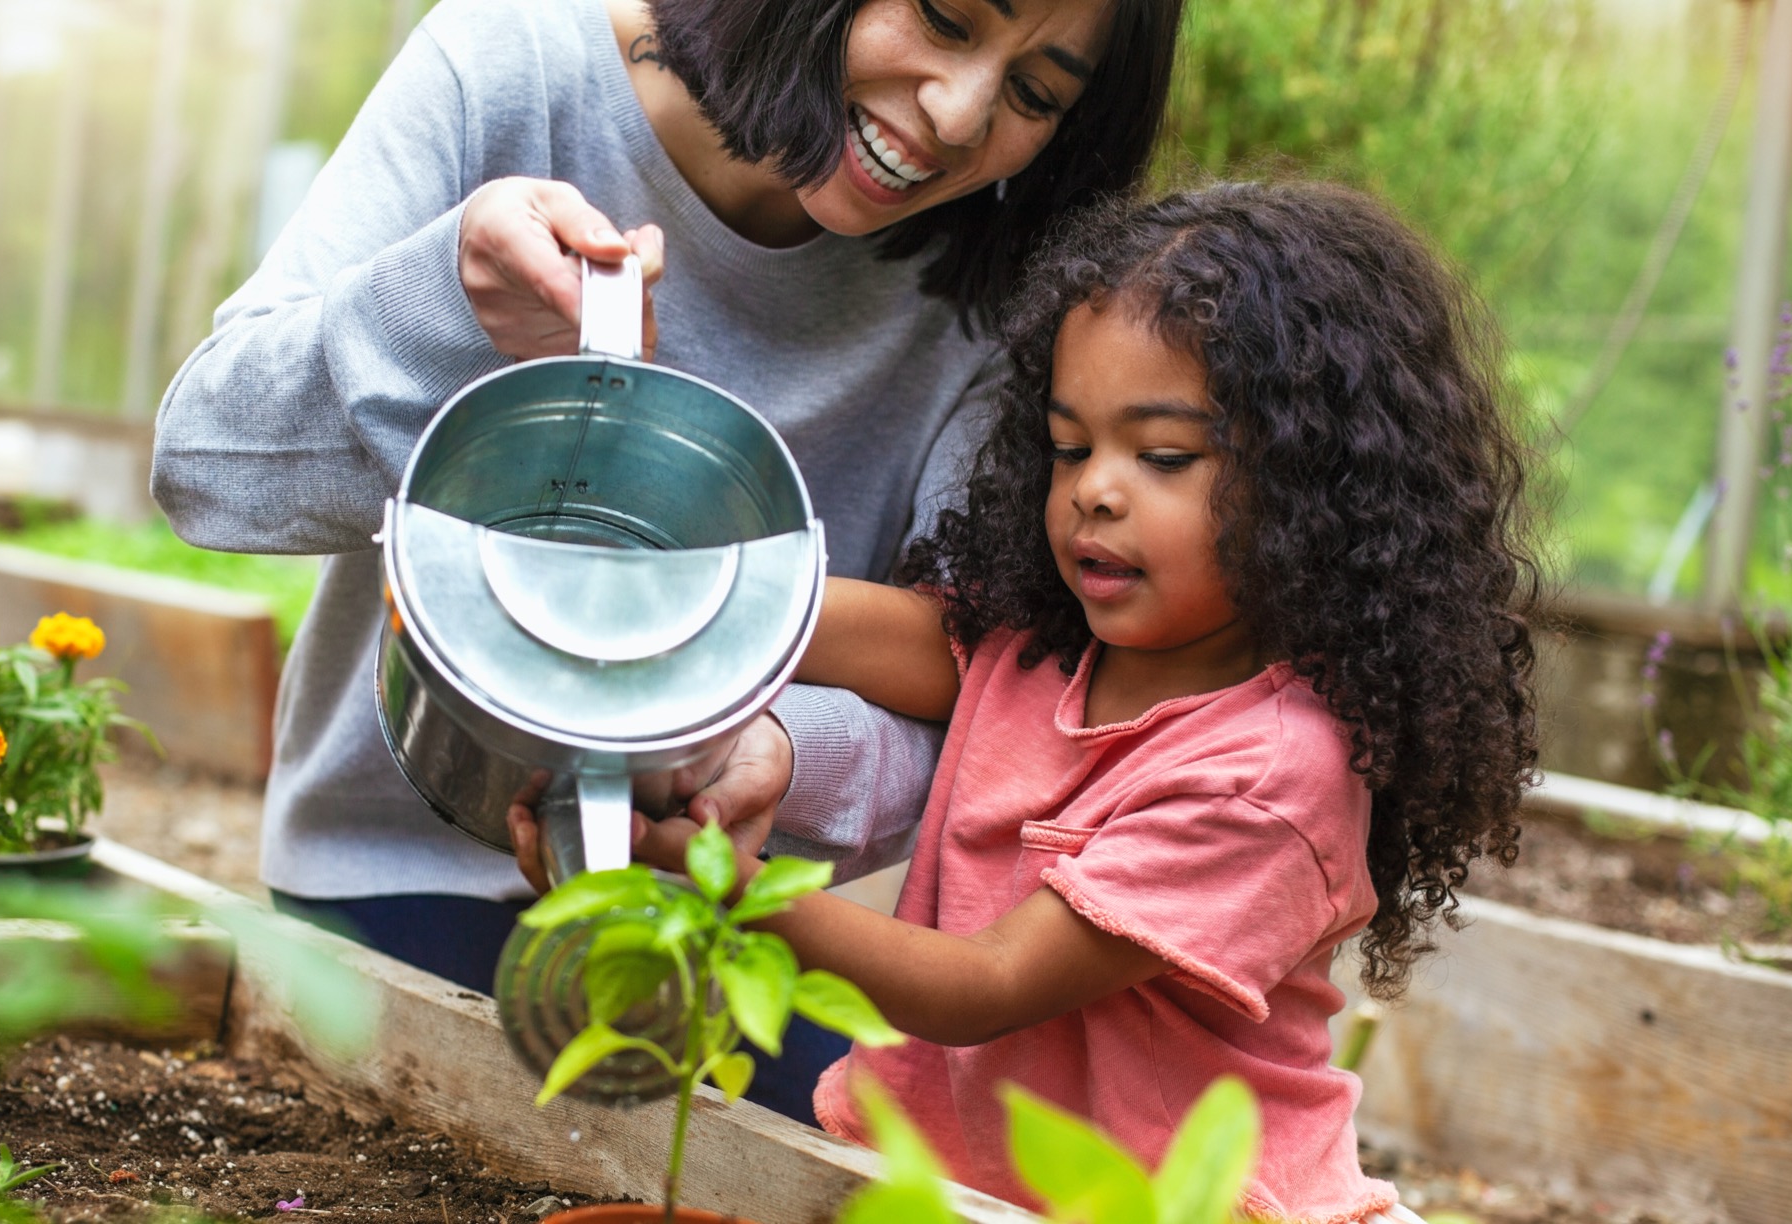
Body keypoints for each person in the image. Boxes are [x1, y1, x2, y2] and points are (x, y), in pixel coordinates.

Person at [151, 0, 1184, 1124]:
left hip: (721, 922)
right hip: (401, 868)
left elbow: (996, 703)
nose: (955, 112)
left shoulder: (998, 299)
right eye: (942, 18)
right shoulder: (518, 67)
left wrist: (783, 750)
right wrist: (448, 300)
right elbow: (207, 466)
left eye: (1035, 93)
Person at [522, 181, 1542, 1219]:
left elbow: (989, 987)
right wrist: (697, 602)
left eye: (1162, 457)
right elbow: (906, 638)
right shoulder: (1046, 644)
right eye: (1070, 446)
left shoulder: (1270, 775)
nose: (1095, 488)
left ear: (1312, 490)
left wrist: (735, 896)